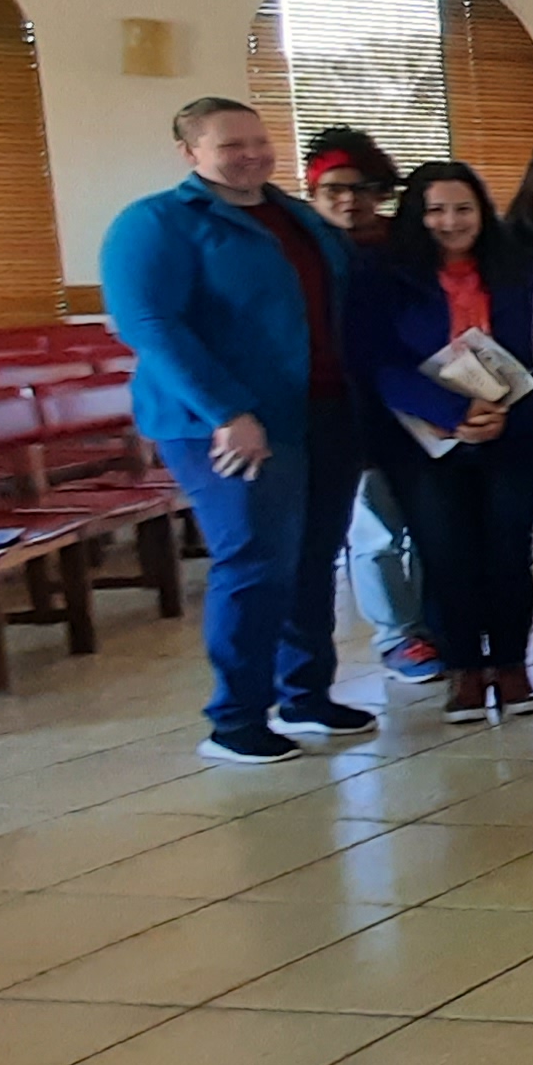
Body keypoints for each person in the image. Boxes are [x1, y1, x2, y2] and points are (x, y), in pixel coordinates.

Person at [107, 99, 376, 762]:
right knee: (255, 562)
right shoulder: (157, 222)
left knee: (314, 558)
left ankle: (306, 695)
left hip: (322, 411)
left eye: (259, 140)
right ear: (190, 152)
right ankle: (236, 719)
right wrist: (226, 411)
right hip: (230, 424)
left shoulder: (296, 216)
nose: (252, 154)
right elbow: (150, 325)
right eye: (231, 146)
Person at [356, 160, 533, 724]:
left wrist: (502, 414)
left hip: (515, 432)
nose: (451, 221)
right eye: (437, 210)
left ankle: (512, 666)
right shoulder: (384, 274)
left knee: (509, 552)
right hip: (423, 441)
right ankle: (465, 669)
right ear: (416, 215)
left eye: (463, 208)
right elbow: (375, 359)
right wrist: (452, 412)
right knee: (446, 554)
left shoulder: (522, 269)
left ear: (482, 212)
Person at [302, 128, 441, 687]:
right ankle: (399, 635)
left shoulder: (406, 245)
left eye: (361, 188)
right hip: (344, 405)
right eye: (333, 189)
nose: (349, 200)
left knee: (431, 522)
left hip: (415, 399)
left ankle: (436, 622)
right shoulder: (302, 250)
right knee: (377, 530)